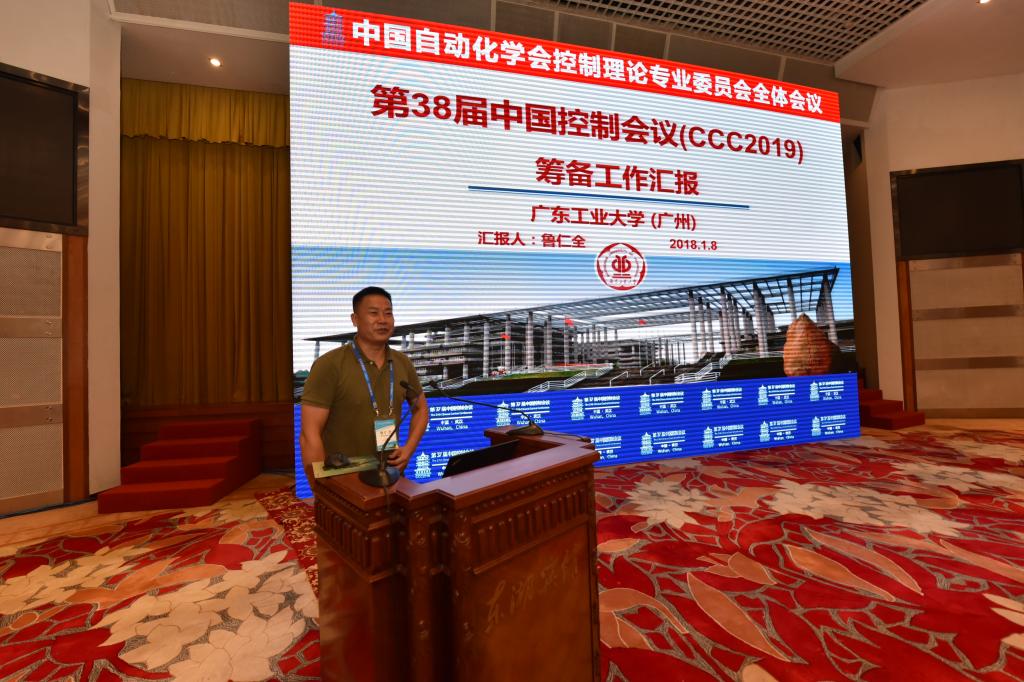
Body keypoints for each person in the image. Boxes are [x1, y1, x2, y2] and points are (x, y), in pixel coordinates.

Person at [300, 286, 428, 481]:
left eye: (388, 313)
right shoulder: (329, 364)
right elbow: (309, 435)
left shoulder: (402, 362)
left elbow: (421, 409)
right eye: (374, 313)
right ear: (355, 319)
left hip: (390, 474)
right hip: (343, 477)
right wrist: (322, 487)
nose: (382, 320)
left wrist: (409, 449)